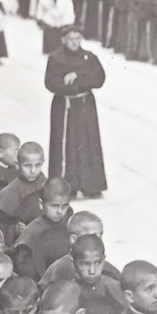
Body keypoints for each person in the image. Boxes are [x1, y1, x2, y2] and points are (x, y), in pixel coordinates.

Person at [44, 28, 108, 199]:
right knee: (66, 143)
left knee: (88, 141)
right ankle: (66, 186)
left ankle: (91, 185)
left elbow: (99, 78)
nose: (74, 42)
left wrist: (77, 77)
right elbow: (51, 82)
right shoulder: (55, 58)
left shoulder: (89, 57)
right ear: (63, 39)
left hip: (86, 105)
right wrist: (72, 87)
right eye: (70, 38)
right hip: (64, 106)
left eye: (77, 38)